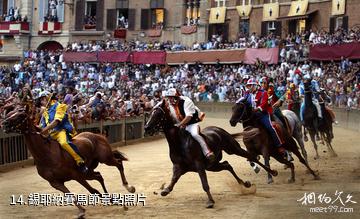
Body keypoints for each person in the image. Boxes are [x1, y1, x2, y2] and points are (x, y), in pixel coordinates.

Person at [39, 91, 88, 173]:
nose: (41, 102)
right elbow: (42, 125)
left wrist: (44, 130)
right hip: (50, 134)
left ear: (48, 98)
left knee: (64, 143)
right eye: (41, 100)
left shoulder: (60, 106)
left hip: (60, 131)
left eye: (43, 99)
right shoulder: (45, 112)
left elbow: (56, 122)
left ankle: (80, 161)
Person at [244, 78, 293, 161]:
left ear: (267, 84)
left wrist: (280, 100)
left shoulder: (273, 89)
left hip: (273, 109)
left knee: (280, 118)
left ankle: (286, 131)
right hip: (258, 113)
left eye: (264, 83)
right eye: (261, 83)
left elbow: (282, 95)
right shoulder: (251, 93)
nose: (263, 84)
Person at [164, 88, 215, 161]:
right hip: (182, 123)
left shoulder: (186, 101)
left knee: (195, 134)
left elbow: (189, 117)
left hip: (192, 123)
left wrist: (180, 124)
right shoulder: (170, 104)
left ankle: (208, 152)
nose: (169, 100)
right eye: (168, 98)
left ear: (176, 97)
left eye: (171, 98)